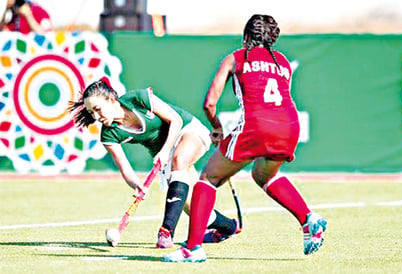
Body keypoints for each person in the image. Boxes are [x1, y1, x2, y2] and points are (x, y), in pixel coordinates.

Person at [164, 14, 327, 262]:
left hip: (257, 126)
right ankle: (308, 219)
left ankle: (193, 248)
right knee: (263, 175)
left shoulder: (236, 58)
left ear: (246, 36)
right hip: (290, 126)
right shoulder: (282, 61)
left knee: (208, 179)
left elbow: (209, 103)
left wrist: (217, 128)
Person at [69, 77, 240, 249]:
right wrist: (137, 185)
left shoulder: (138, 98)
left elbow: (175, 120)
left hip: (186, 130)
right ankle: (228, 227)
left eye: (98, 109)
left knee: (179, 160)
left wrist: (165, 150)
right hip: (165, 155)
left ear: (111, 100)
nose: (96, 117)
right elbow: (125, 168)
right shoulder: (108, 135)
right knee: (193, 205)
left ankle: (166, 232)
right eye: (91, 113)